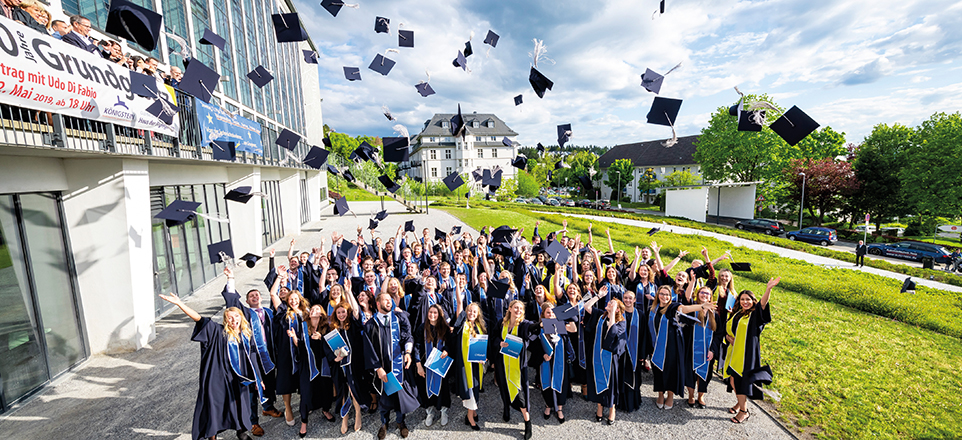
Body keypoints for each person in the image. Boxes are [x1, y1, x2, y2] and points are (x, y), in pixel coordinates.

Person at [158, 293, 260, 440]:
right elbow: (199, 319)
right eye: (230, 317)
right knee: (215, 406)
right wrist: (180, 304)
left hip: (237, 378)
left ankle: (241, 432)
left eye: (236, 317)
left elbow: (252, 358)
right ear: (225, 320)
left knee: (240, 404)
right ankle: (212, 436)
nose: (233, 320)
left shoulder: (246, 335)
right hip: (218, 377)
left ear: (241, 318)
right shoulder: (218, 331)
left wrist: (258, 378)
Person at [221, 268, 282, 437]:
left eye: (257, 295)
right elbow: (232, 302)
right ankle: (253, 422)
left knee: (268, 385)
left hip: (268, 356)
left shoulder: (269, 312)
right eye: (251, 296)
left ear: (260, 297)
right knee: (253, 389)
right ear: (247, 301)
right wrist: (231, 279)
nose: (255, 297)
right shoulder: (245, 314)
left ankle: (268, 408)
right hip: (251, 357)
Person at [647, 285, 716, 410]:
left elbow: (684, 308)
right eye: (662, 294)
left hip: (672, 346)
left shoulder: (672, 307)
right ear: (657, 295)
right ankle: (660, 394)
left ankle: (670, 396)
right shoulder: (652, 309)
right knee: (658, 371)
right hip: (656, 346)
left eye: (667, 295)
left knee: (671, 371)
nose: (664, 297)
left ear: (670, 297)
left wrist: (702, 306)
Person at [723, 277, 780, 424]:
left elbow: (763, 304)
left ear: (753, 300)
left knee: (740, 382)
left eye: (748, 299)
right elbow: (730, 329)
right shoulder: (738, 313)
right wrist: (728, 338)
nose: (745, 302)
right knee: (733, 380)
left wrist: (768, 289)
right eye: (742, 299)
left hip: (747, 355)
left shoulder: (754, 315)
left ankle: (744, 411)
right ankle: (740, 404)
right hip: (735, 353)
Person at [365, 292, 420, 439]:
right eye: (386, 300)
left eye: (390, 300)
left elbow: (408, 336)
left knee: (399, 396)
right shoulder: (371, 324)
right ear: (378, 304)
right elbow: (368, 348)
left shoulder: (399, 318)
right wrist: (378, 368)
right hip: (382, 368)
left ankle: (401, 422)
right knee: (384, 398)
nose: (389, 302)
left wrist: (408, 352)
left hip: (398, 366)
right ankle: (384, 423)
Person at [327, 290, 376, 434]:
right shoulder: (334, 330)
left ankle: (358, 413)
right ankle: (345, 417)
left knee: (353, 390)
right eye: (339, 313)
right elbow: (329, 349)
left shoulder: (353, 325)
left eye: (343, 312)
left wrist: (348, 292)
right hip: (341, 366)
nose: (341, 315)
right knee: (343, 391)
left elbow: (356, 310)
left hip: (354, 365)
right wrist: (334, 357)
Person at [490, 300, 539, 440]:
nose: (518, 310)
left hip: (517, 365)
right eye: (515, 308)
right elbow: (493, 338)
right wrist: (499, 342)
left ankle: (527, 421)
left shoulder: (523, 324)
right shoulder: (502, 323)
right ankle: (507, 409)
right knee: (503, 388)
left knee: (519, 393)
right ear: (510, 309)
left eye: (520, 309)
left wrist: (540, 324)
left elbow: (532, 328)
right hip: (502, 363)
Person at [583, 286, 627, 425]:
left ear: (618, 309)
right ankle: (599, 406)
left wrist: (613, 313)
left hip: (610, 358)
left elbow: (612, 332)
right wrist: (599, 296)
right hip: (595, 355)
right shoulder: (600, 315)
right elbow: (586, 306)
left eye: (612, 304)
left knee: (610, 383)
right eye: (608, 302)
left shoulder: (622, 322)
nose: (608, 304)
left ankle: (612, 408)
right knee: (596, 380)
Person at [530, 304, 576, 424]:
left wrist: (568, 316)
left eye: (553, 313)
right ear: (543, 314)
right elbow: (533, 346)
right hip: (545, 361)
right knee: (546, 383)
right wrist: (542, 355)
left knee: (561, 382)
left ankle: (559, 408)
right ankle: (548, 405)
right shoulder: (539, 328)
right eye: (548, 313)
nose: (550, 315)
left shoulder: (560, 326)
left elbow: (573, 329)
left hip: (560, 361)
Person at [448, 300, 486, 430]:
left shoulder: (479, 327)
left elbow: (481, 346)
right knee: (469, 389)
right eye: (469, 310)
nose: (471, 313)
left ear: (478, 314)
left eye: (474, 311)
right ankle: (470, 417)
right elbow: (459, 303)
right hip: (465, 364)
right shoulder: (460, 326)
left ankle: (473, 412)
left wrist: (482, 357)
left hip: (476, 364)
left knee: (475, 387)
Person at [413, 304, 452, 427]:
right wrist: (418, 364)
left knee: (443, 388)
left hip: (440, 364)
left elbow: (450, 344)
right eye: (430, 312)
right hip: (426, 364)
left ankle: (443, 411)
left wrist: (446, 350)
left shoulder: (444, 328)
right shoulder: (422, 328)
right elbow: (417, 346)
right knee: (425, 388)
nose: (432, 315)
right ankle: (429, 412)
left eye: (435, 313)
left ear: (440, 315)